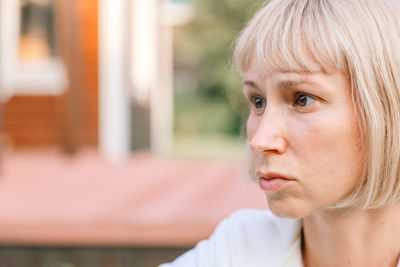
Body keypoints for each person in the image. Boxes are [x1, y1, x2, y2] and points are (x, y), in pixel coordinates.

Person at [160, 0, 400, 266]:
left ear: (388, 111)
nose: (260, 141)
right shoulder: (238, 250)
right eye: (258, 101)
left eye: (302, 99)